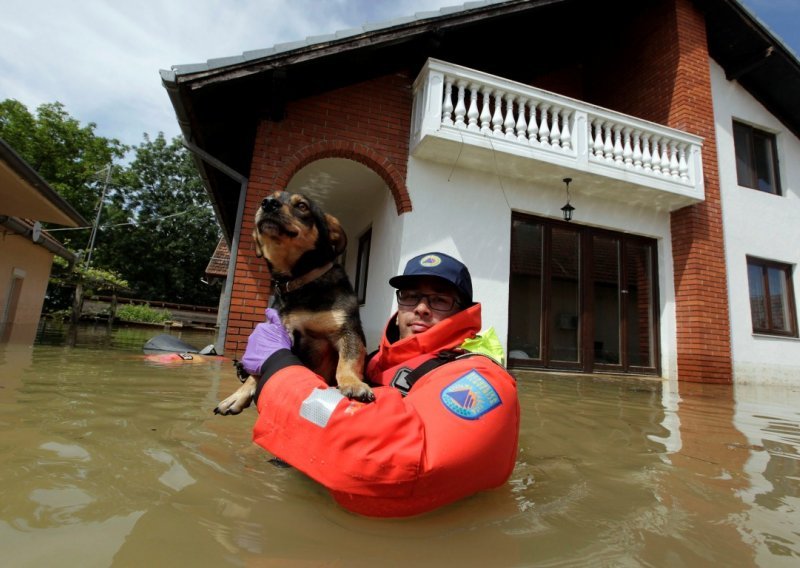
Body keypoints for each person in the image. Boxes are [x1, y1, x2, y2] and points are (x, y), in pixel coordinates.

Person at [243, 252, 520, 517]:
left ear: (464, 311)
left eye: (439, 300)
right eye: (410, 297)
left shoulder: (482, 377)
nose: (421, 308)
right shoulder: (373, 361)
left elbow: (397, 470)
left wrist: (276, 368)